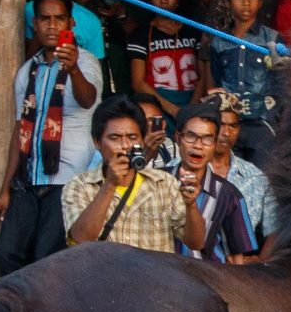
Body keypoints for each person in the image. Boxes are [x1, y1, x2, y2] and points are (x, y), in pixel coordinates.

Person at [0, 0, 101, 276]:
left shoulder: (87, 62)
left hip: (68, 179)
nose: (52, 25)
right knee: (7, 253)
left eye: (59, 18)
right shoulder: (29, 70)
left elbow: (89, 100)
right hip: (29, 178)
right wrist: (5, 190)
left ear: (71, 24)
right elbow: (21, 129)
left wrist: (73, 69)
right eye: (45, 19)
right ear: (35, 25)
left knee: (47, 259)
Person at [64, 98, 206, 254]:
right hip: (103, 278)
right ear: (97, 142)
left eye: (132, 138)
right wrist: (110, 185)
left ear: (142, 140)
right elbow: (80, 241)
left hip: (154, 278)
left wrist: (191, 205)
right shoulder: (79, 186)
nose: (125, 145)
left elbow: (196, 243)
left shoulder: (164, 183)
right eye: (115, 138)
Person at [208, 0, 285, 163]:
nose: (246, 2)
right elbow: (217, 79)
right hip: (228, 123)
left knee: (262, 176)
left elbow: (281, 83)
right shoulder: (219, 42)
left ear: (260, 1)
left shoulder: (271, 39)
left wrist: (274, 116)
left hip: (262, 122)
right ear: (227, 1)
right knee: (227, 173)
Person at [172, 100, 258, 265]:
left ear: (214, 144)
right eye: (191, 136)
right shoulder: (158, 181)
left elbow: (237, 256)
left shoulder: (229, 194)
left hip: (207, 283)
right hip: (163, 279)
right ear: (178, 137)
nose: (198, 145)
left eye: (207, 139)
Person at [129, 0, 209, 122]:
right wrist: (171, 109)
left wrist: (191, 108)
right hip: (157, 106)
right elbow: (138, 82)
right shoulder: (140, 34)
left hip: (192, 104)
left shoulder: (193, 31)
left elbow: (203, 75)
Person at [209, 94, 276, 245]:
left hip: (239, 266)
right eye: (221, 124)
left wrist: (258, 262)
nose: (226, 133)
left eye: (232, 126)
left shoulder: (256, 177)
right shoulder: (181, 170)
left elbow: (275, 231)